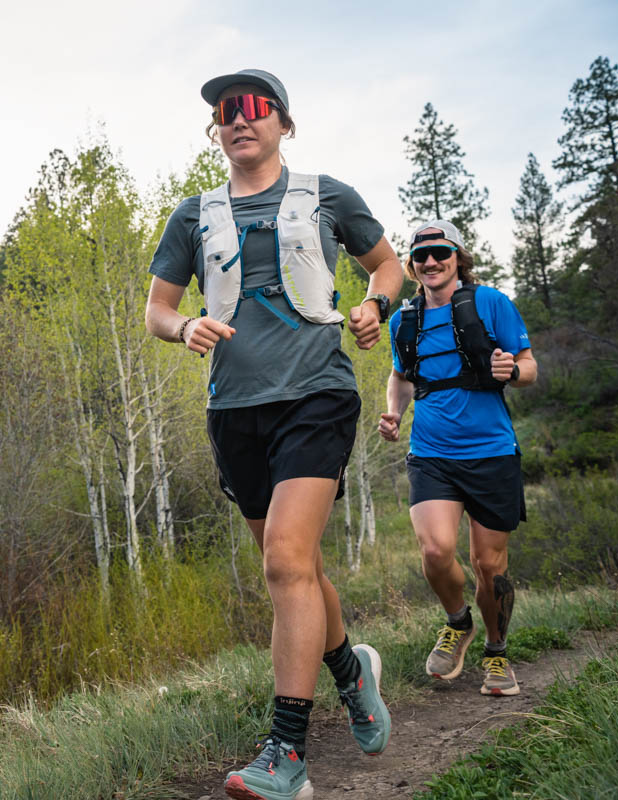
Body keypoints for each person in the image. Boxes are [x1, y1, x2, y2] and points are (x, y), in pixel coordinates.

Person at [145, 68, 403, 800]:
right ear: (216, 132)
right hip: (235, 410)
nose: (238, 119)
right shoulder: (193, 215)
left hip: (316, 395)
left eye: (254, 108)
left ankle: (286, 754)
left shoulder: (327, 195)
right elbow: (155, 310)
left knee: (286, 563)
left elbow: (385, 266)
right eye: (225, 113)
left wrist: (374, 307)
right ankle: (353, 673)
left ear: (284, 123)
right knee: (299, 570)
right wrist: (183, 324)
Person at [380, 220, 537, 698]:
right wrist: (393, 413)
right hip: (431, 454)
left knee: (490, 567)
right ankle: (457, 622)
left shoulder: (490, 303)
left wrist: (513, 371)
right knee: (434, 550)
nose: (430, 261)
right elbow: (402, 376)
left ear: (457, 258)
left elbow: (529, 367)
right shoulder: (403, 321)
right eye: (421, 255)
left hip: (491, 453)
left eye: (439, 252)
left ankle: (496, 651)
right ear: (411, 264)